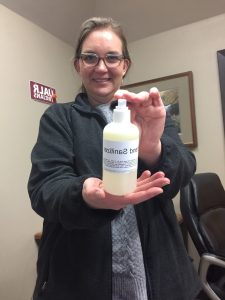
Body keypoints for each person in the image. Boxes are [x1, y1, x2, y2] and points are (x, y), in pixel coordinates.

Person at [28, 17, 203, 300]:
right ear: (77, 65)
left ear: (125, 65)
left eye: (112, 57)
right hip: (82, 278)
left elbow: (183, 171)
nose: (101, 67)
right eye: (90, 57)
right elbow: (44, 190)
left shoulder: (149, 114)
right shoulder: (58, 118)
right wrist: (86, 194)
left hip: (158, 273)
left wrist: (150, 146)